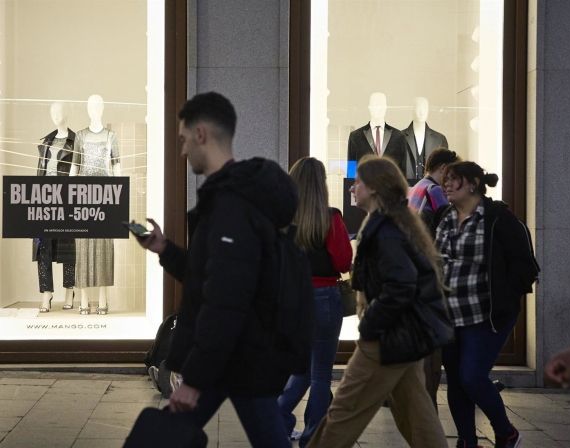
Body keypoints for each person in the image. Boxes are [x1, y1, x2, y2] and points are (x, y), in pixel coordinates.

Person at [135, 92, 298, 447]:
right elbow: (208, 277)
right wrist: (165, 250)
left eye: (183, 140)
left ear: (201, 134)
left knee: (162, 437)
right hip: (235, 355)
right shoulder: (226, 200)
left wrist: (193, 380)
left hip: (238, 354)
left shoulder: (231, 206)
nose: (182, 151)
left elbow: (225, 299)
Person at [308, 155, 448, 448]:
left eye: (358, 182)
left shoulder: (386, 230)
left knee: (344, 410)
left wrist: (371, 325)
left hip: (387, 337)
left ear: (373, 187)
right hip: (404, 335)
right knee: (417, 414)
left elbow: (401, 285)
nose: (352, 187)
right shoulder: (390, 223)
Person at [436, 161, 539, 448]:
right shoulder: (444, 216)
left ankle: (506, 432)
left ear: (473, 184)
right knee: (456, 380)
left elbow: (525, 268)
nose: (446, 184)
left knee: (471, 376)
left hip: (486, 316)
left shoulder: (498, 218)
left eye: (453, 179)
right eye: (445, 179)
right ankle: (467, 441)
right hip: (450, 314)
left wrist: (504, 298)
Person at [277, 157, 352, 446]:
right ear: (321, 185)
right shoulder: (330, 218)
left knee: (303, 369)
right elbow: (343, 262)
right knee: (320, 373)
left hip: (293, 299)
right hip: (324, 298)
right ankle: (313, 436)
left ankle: (278, 417)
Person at [407, 147, 459, 408]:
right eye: (451, 172)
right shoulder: (435, 191)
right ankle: (428, 400)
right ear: (442, 168)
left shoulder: (416, 188)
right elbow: (451, 224)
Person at [69, 94, 121, 315]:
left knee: (104, 245)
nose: (94, 109)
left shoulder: (111, 136)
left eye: (98, 105)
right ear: (87, 109)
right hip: (83, 195)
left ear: (103, 107)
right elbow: (75, 167)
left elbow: (117, 167)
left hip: (105, 196)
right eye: (91, 106)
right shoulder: (80, 136)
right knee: (82, 246)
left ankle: (102, 298)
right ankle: (83, 298)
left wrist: (119, 196)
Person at [34, 102, 76, 312]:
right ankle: (46, 292)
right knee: (43, 245)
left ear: (66, 114)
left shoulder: (76, 141)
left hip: (66, 198)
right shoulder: (46, 142)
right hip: (44, 198)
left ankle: (69, 290)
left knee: (68, 246)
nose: (56, 115)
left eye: (59, 111)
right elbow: (39, 173)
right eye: (53, 112)